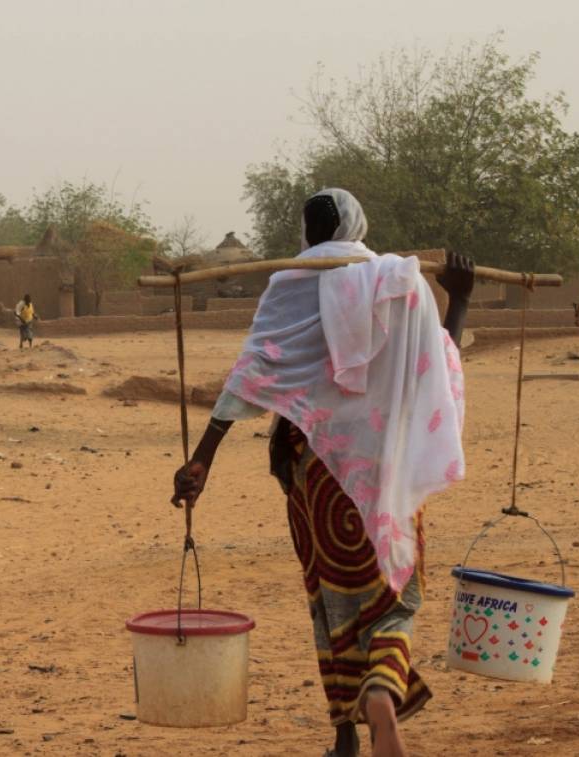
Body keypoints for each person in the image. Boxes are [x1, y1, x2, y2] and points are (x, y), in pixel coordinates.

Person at [171, 189, 475, 757]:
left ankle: (343, 733)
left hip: (310, 474)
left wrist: (202, 457)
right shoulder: (397, 284)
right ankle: (382, 690)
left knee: (328, 596)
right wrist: (458, 301)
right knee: (395, 596)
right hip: (381, 472)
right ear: (359, 225)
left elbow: (252, 372)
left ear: (306, 234)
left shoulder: (288, 286)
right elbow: (438, 366)